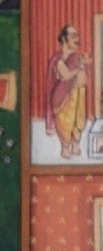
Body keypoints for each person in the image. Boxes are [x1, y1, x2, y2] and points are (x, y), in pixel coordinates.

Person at [47, 23, 91, 157]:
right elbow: (66, 75)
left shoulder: (76, 56)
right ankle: (65, 149)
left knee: (79, 122)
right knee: (66, 122)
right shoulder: (58, 60)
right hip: (64, 97)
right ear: (65, 39)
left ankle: (75, 147)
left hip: (79, 93)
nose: (77, 39)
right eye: (73, 36)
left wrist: (83, 64)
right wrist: (80, 67)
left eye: (77, 36)